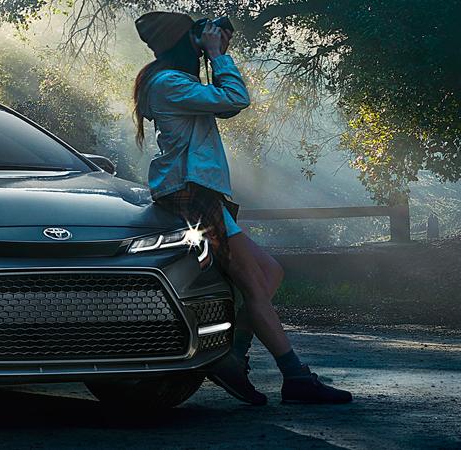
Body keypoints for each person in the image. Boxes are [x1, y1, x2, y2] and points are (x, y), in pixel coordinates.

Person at [132, 11, 352, 405]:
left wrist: (217, 54)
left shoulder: (177, 82)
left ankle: (231, 355)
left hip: (202, 194)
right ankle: (294, 375)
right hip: (190, 194)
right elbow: (236, 98)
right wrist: (216, 55)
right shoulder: (168, 83)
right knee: (253, 284)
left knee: (270, 272)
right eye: (195, 36)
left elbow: (228, 107)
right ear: (184, 43)